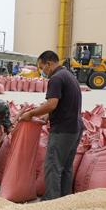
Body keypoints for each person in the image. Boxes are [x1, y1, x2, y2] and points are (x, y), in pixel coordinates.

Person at [20, 50, 83, 201]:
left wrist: (31, 114)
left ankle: (52, 200)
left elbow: (52, 104)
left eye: (42, 67)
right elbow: (65, 103)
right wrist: (48, 116)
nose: (42, 72)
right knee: (66, 167)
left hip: (63, 130)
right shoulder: (68, 75)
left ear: (49, 63)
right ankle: (64, 199)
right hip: (75, 127)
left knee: (53, 166)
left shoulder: (56, 78)